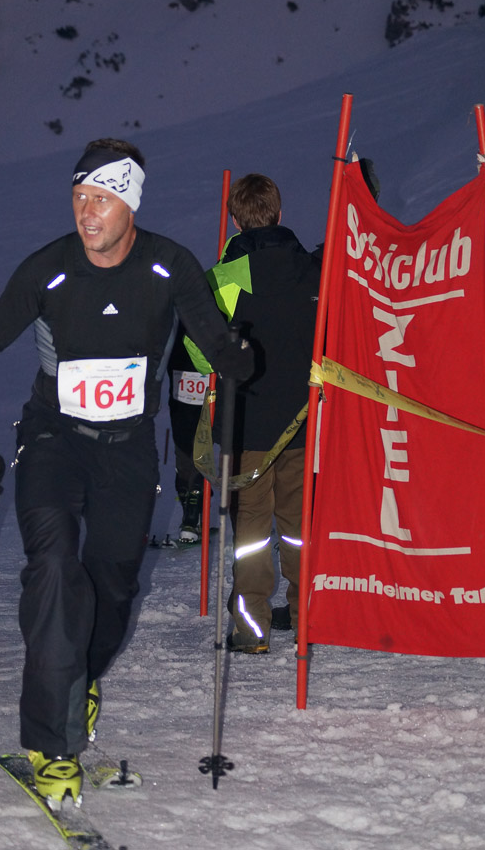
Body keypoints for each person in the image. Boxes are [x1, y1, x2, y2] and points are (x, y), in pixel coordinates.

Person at [0, 139, 253, 806]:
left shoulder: (168, 263)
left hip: (128, 448)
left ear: (130, 204)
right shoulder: (48, 269)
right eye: (79, 198)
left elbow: (214, 338)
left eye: (101, 199)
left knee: (113, 588)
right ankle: (53, 745)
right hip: (54, 439)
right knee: (56, 568)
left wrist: (237, 358)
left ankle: (78, 677)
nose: (87, 212)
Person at [187, 173, 320, 653]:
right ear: (280, 214)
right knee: (299, 526)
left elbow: (201, 355)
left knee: (251, 531)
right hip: (305, 421)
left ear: (235, 221)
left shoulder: (222, 280)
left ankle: (252, 627)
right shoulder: (316, 271)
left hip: (247, 426)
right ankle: (306, 618)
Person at [166, 328, 210, 543]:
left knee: (193, 439)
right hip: (188, 356)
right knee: (189, 440)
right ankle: (192, 512)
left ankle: (192, 511)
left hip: (195, 354)